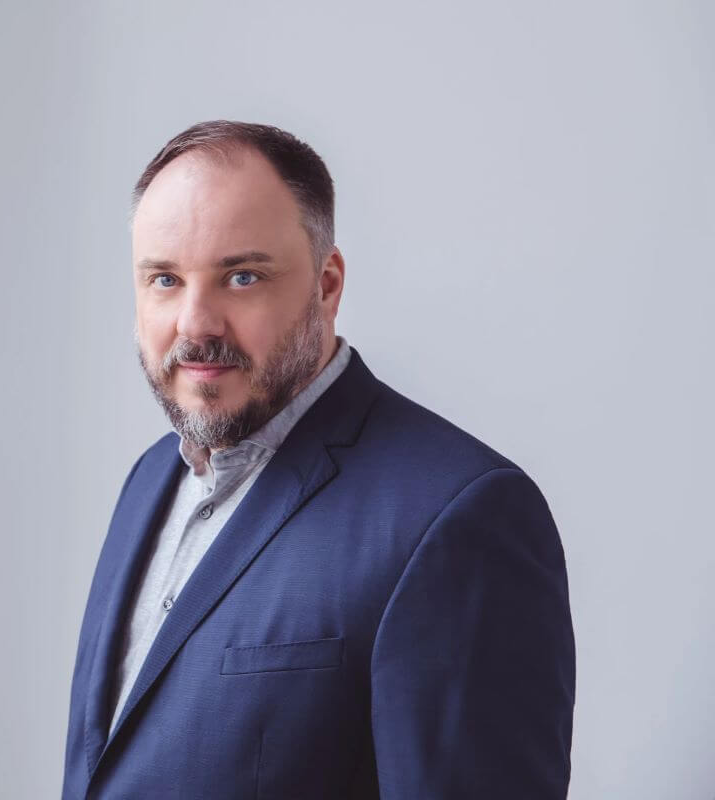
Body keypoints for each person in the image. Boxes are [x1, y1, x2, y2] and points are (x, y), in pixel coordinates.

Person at [61, 120, 576, 799]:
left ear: (327, 286)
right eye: (164, 279)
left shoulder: (459, 516)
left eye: (241, 277)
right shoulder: (152, 479)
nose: (195, 324)